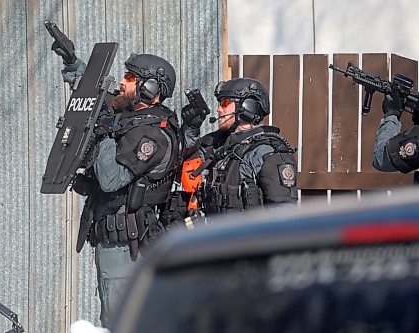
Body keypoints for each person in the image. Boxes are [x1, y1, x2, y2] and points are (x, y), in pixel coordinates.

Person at [52, 42, 181, 327]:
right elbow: (100, 96)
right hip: (113, 239)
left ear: (150, 89)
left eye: (131, 78)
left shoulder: (153, 135)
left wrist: (104, 132)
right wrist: (73, 63)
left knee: (120, 322)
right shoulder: (130, 119)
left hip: (127, 243)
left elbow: (111, 179)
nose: (123, 82)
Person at [180, 78, 298, 217]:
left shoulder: (268, 152)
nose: (218, 109)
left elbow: (283, 213)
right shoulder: (220, 144)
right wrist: (191, 128)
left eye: (224, 103)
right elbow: (185, 160)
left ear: (248, 107)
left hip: (248, 237)